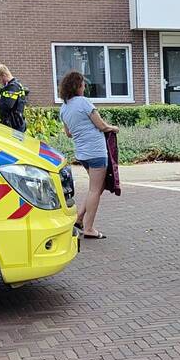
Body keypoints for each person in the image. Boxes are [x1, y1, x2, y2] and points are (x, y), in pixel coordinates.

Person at [58, 71, 119, 239]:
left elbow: (69, 133)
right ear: (77, 86)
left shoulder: (63, 108)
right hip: (96, 151)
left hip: (82, 153)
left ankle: (79, 218)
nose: (85, 86)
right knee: (95, 190)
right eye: (83, 84)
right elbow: (101, 125)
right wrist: (113, 128)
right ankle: (89, 228)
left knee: (96, 188)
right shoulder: (84, 102)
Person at [0, 64, 28, 132]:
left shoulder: (12, 87)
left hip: (14, 124)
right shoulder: (15, 85)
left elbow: (8, 106)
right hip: (15, 123)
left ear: (4, 75)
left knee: (15, 143)